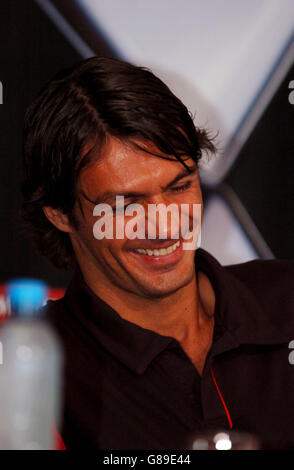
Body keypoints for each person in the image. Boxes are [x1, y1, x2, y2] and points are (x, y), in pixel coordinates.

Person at [22, 57, 294, 450]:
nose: (164, 224)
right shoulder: (34, 364)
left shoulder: (286, 298)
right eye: (124, 205)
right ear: (60, 213)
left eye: (179, 186)